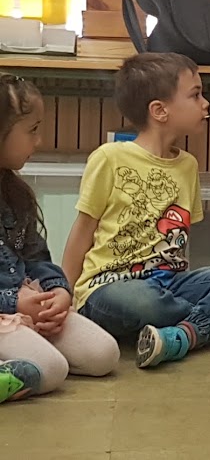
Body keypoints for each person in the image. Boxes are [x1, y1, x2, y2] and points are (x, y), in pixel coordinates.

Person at [63, 54, 210, 369]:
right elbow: (83, 230)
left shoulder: (188, 165)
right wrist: (65, 294)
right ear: (160, 111)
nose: (206, 103)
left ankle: (185, 334)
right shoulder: (109, 158)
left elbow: (178, 242)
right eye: (195, 95)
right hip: (110, 287)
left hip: (170, 284)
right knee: (144, 301)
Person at [0, 74, 118, 402]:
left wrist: (59, 292)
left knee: (104, 354)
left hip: (26, 304)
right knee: (50, 369)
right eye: (32, 130)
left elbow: (36, 257)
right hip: (8, 308)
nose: (38, 141)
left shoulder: (15, 194)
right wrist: (12, 302)